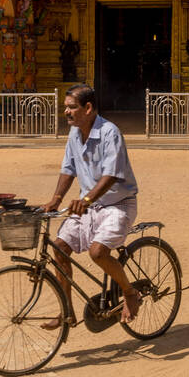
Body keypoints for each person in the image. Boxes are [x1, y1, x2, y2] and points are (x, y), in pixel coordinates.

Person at [42, 84, 141, 327]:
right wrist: (56, 198)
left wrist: (86, 200)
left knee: (98, 253)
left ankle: (129, 292)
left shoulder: (110, 133)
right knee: (59, 247)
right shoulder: (75, 133)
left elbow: (112, 174)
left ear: (88, 108)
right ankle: (67, 312)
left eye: (71, 107)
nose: (66, 112)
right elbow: (69, 168)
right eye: (65, 107)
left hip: (118, 204)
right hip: (91, 206)